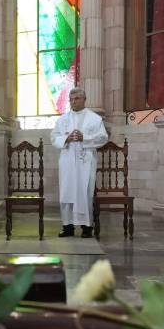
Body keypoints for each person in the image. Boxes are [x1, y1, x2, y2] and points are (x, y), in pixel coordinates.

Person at [50, 88, 108, 238]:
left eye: (76, 99)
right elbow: (53, 138)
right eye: (71, 99)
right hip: (67, 161)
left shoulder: (94, 118)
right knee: (66, 192)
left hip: (85, 161)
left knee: (85, 192)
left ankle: (86, 227)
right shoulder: (62, 119)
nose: (73, 102)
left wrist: (85, 137)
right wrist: (66, 139)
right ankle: (67, 226)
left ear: (84, 99)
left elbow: (103, 138)